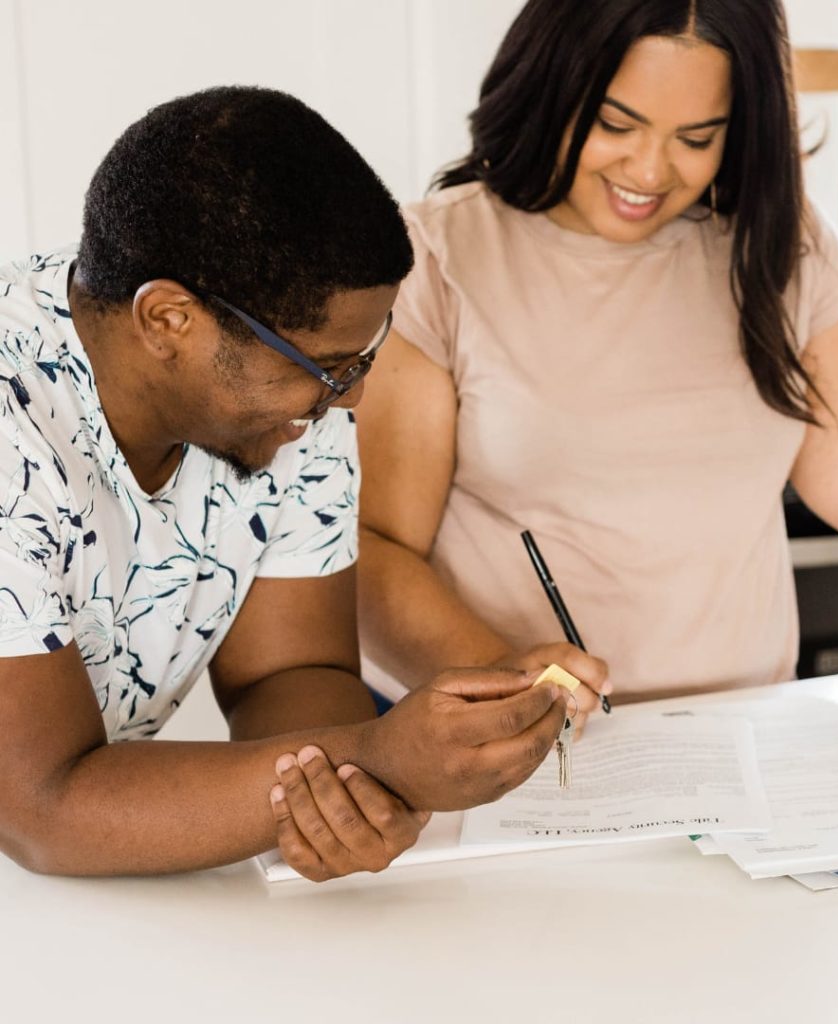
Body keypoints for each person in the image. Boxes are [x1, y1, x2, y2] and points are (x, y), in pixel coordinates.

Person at [354, 0, 838, 717]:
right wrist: (505, 674)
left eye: (697, 138)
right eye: (616, 124)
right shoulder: (438, 259)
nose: (649, 169)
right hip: (518, 744)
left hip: (746, 743)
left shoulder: (776, 247)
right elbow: (376, 550)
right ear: (553, 87)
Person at [0, 86, 571, 882]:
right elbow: (43, 809)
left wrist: (341, 798)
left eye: (361, 361)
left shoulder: (298, 399)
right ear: (169, 321)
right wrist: (371, 753)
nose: (353, 398)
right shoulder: (12, 425)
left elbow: (293, 673)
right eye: (331, 369)